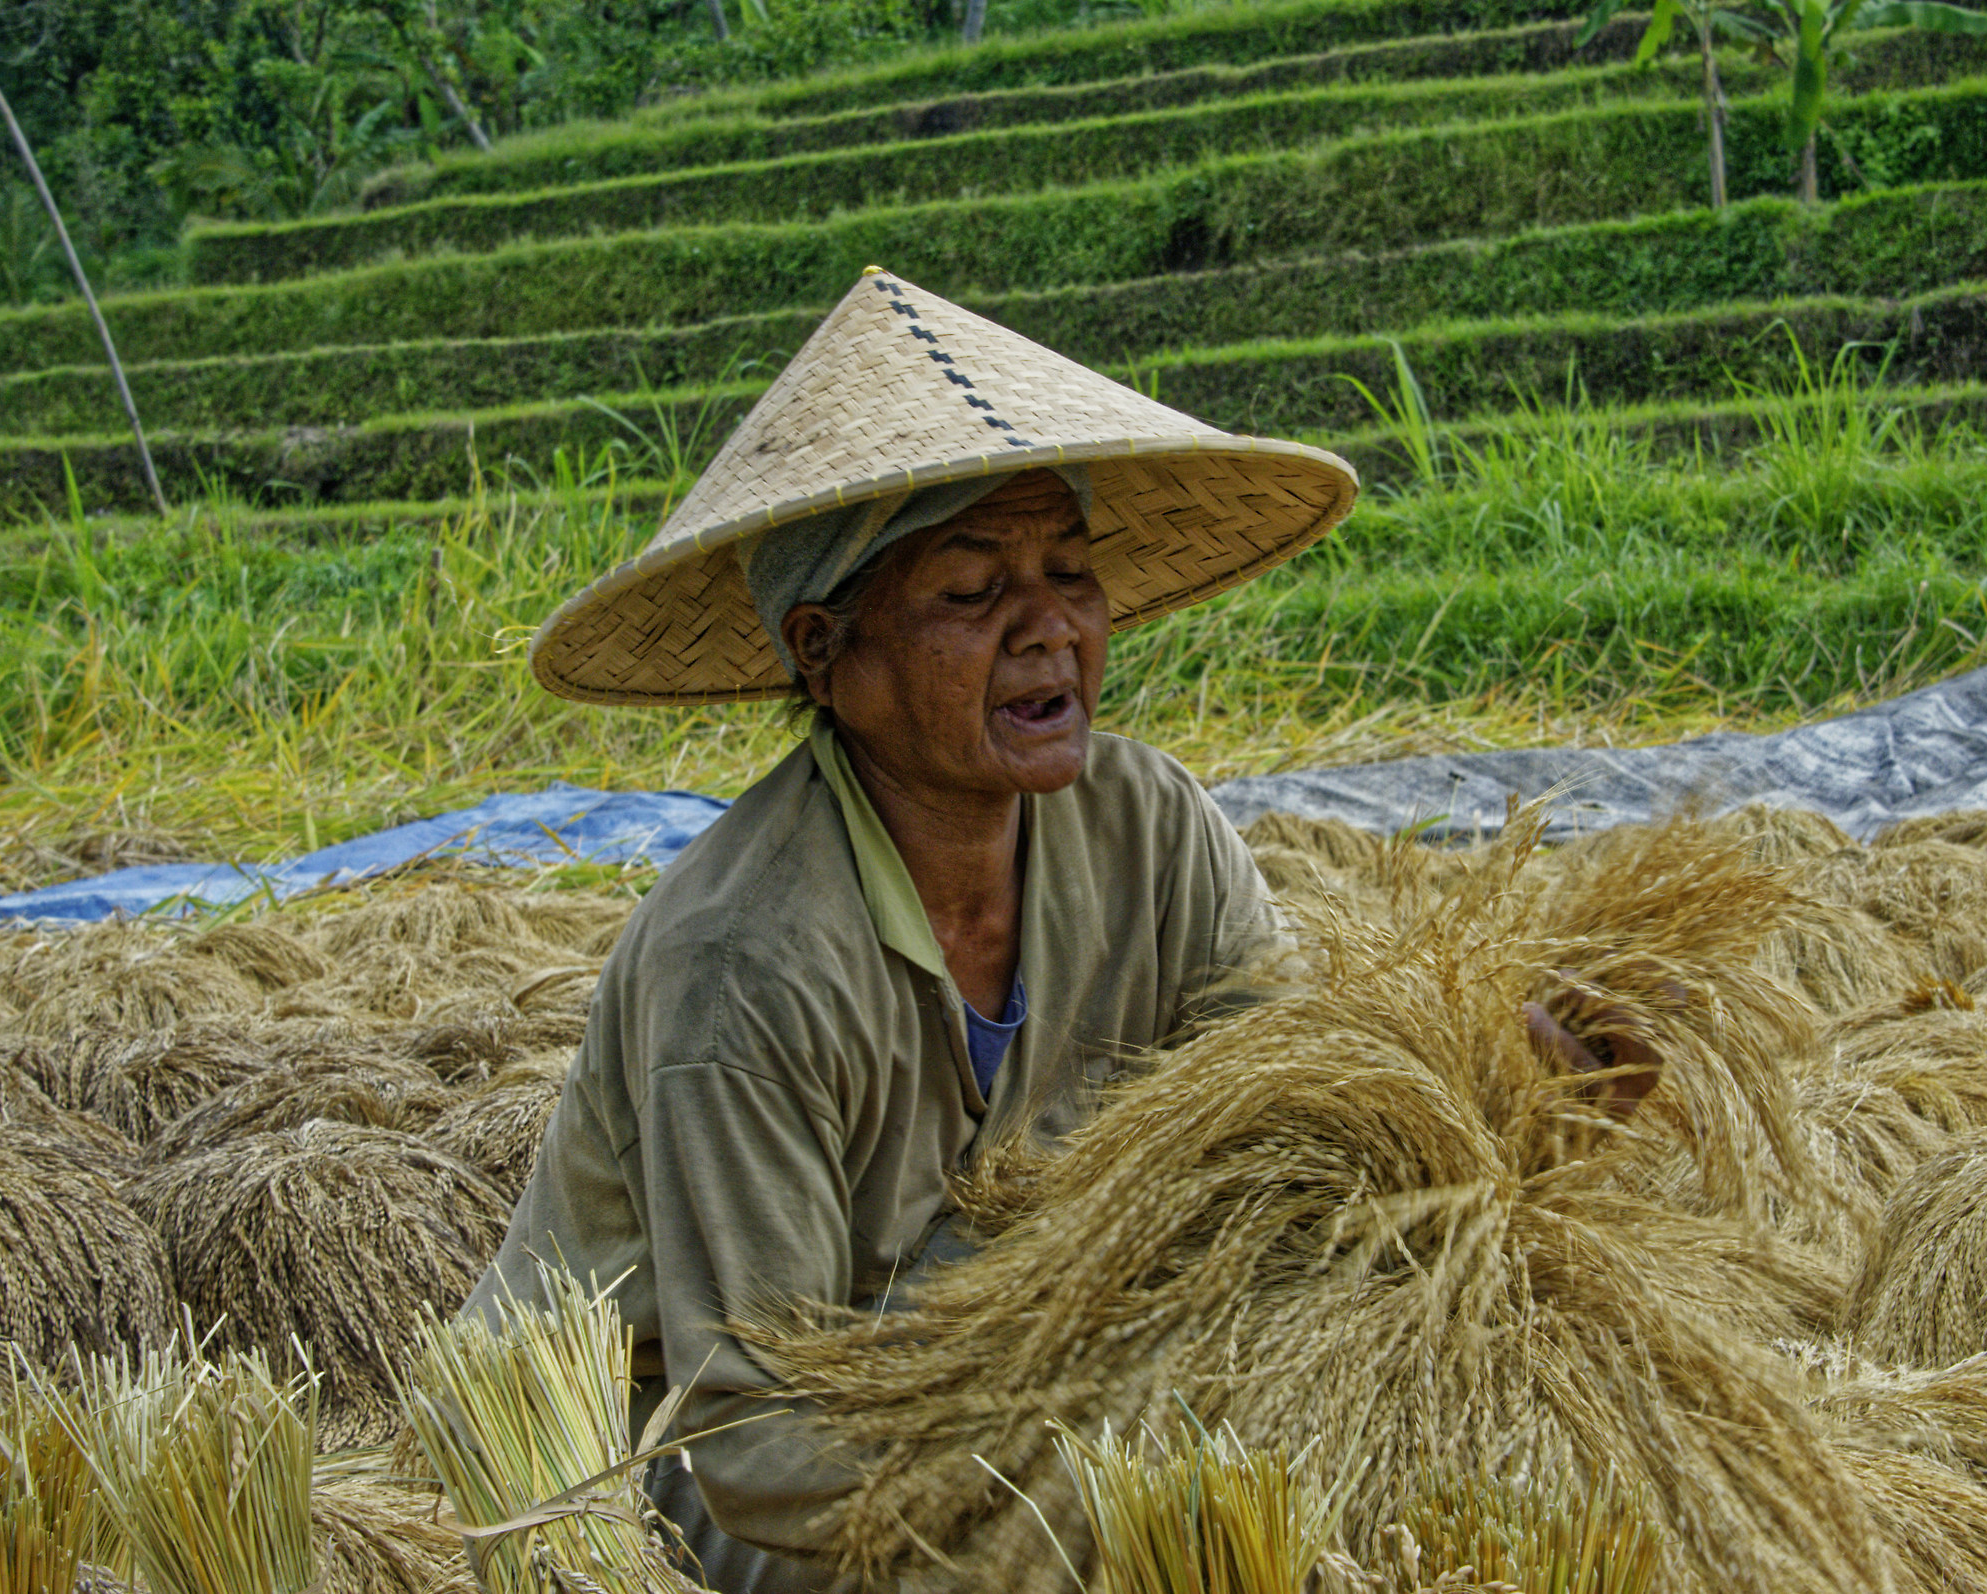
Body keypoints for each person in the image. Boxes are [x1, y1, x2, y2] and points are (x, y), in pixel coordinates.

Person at [465, 269, 1361, 1593]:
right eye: (972, 590)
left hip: (1015, 1398)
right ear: (829, 652)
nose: (1050, 624)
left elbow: (1295, 1121)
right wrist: (1084, 1495)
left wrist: (1487, 1080)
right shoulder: (749, 961)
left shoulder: (1153, 835)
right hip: (692, 1485)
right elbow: (756, 1433)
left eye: (1069, 570)